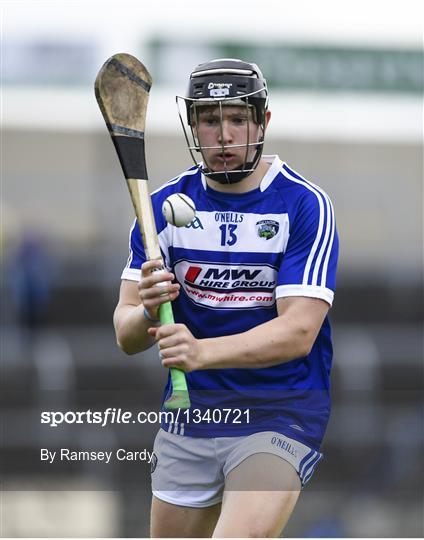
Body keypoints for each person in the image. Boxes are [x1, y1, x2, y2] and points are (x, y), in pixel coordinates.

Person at [114, 58, 339, 538]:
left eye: (237, 118)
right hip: (191, 416)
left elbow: (298, 331)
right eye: (210, 119)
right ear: (193, 125)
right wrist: (149, 307)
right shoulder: (159, 210)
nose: (223, 134)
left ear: (263, 122)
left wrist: (201, 352)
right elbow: (126, 334)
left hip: (278, 411)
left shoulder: (303, 205)